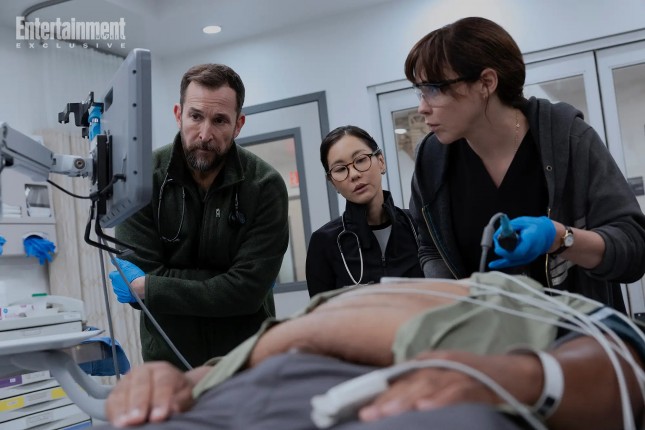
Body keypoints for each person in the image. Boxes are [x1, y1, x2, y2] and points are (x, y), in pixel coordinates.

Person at [96, 272, 645, 430]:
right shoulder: (305, 315)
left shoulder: (505, 297)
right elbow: (205, 373)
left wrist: (514, 376)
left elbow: (625, 359)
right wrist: (159, 377)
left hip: (397, 401)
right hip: (220, 402)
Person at [406, 17, 645, 310]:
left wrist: (560, 238)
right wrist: (457, 300)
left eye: (434, 89)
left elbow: (634, 248)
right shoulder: (431, 159)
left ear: (486, 83)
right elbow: (430, 247)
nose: (422, 107)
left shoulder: (569, 139)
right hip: (488, 334)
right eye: (420, 91)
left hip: (576, 331)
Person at [109, 63, 289, 370]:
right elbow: (138, 280)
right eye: (195, 116)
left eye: (219, 120)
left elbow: (247, 292)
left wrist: (153, 287)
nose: (205, 134)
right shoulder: (141, 181)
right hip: (168, 364)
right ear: (178, 114)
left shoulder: (264, 186)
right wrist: (224, 283)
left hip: (247, 362)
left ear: (238, 124)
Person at [306, 125, 423, 297]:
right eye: (340, 169)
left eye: (360, 160)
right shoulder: (324, 242)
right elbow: (323, 312)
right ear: (332, 183)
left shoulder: (418, 225)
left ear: (381, 161)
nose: (354, 174)